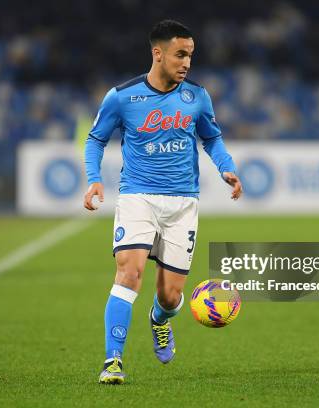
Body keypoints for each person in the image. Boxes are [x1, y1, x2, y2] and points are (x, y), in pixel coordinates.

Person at [83, 20, 243, 384]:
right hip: (137, 196)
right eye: (180, 54)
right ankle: (113, 361)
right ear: (158, 53)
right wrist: (94, 179)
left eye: (190, 55)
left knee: (170, 296)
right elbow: (95, 140)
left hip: (183, 202)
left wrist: (227, 168)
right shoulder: (122, 97)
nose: (187, 62)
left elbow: (212, 139)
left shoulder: (197, 97)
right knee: (129, 272)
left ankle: (159, 320)